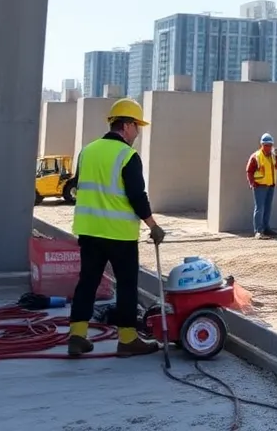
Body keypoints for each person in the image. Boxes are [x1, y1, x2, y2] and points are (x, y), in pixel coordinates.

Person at [66, 97, 167, 358]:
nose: (138, 133)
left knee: (87, 283)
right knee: (126, 285)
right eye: (137, 127)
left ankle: (77, 336)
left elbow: (78, 185)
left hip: (89, 231)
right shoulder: (128, 155)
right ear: (127, 125)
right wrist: (153, 226)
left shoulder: (87, 151)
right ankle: (127, 339)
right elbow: (136, 196)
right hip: (119, 235)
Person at [246, 132, 277, 239]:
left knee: (268, 208)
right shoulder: (256, 156)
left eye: (270, 145)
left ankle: (266, 228)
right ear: (261, 145)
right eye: (266, 145)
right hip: (259, 186)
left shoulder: (272, 156)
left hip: (271, 185)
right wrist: (252, 183)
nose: (268, 147)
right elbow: (249, 171)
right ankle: (258, 231)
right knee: (259, 208)